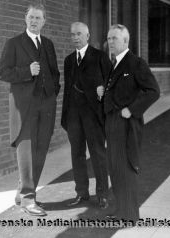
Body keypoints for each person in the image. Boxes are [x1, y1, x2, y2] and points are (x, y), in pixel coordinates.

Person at [0, 3, 60, 217]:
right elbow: (3, 73)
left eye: (38, 18)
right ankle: (28, 199)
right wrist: (27, 71)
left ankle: (23, 194)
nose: (34, 21)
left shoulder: (49, 44)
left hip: (46, 105)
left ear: (44, 21)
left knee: (41, 150)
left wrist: (53, 92)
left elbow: (55, 72)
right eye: (31, 17)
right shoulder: (14, 43)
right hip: (24, 108)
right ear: (26, 19)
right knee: (25, 152)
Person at [103, 24, 160, 221]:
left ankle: (129, 215)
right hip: (112, 122)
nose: (110, 42)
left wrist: (132, 110)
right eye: (109, 38)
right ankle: (121, 210)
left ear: (126, 41)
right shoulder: (115, 63)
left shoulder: (136, 63)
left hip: (126, 124)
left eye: (114, 39)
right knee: (115, 167)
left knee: (126, 167)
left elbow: (154, 91)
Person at [61, 22, 112, 209]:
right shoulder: (68, 60)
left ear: (88, 36)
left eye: (79, 34)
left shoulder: (99, 57)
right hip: (73, 116)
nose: (75, 37)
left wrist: (102, 91)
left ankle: (102, 194)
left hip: (93, 115)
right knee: (77, 155)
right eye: (72, 34)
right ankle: (81, 193)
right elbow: (67, 90)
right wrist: (65, 116)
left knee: (98, 154)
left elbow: (110, 82)